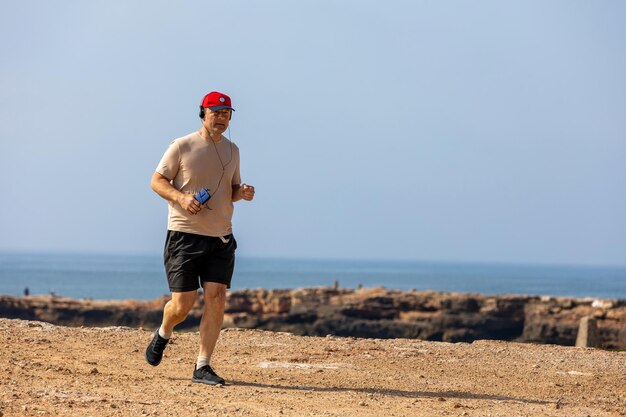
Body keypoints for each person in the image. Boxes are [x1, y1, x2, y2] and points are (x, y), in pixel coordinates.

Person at [145, 91, 255, 385]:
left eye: (226, 113)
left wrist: (241, 193)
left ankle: (202, 365)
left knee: (216, 299)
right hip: (185, 235)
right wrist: (181, 198)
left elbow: (230, 190)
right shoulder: (182, 145)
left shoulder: (233, 150)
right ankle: (164, 332)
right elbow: (156, 181)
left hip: (220, 238)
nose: (221, 117)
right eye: (215, 112)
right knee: (182, 305)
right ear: (203, 114)